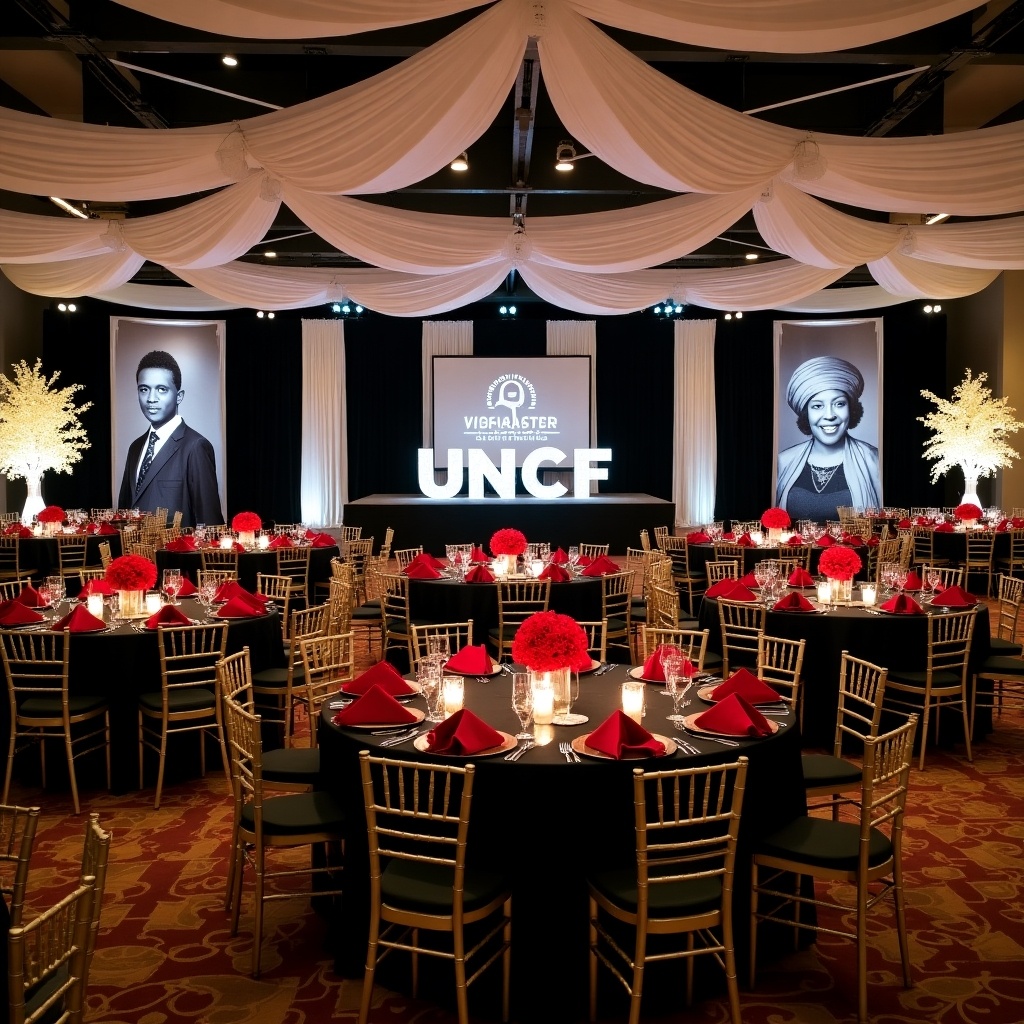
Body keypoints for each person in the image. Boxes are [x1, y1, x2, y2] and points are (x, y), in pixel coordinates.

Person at [117, 350, 223, 527]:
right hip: (135, 552)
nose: (151, 399)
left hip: (173, 554)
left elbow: (210, 522)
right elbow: (124, 511)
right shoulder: (135, 447)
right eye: (144, 389)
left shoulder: (195, 446)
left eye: (161, 390)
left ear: (179, 396)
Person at [775, 355, 881, 521]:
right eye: (817, 406)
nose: (830, 415)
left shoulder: (873, 460)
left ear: (851, 409)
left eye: (839, 404)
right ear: (806, 414)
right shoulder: (783, 462)